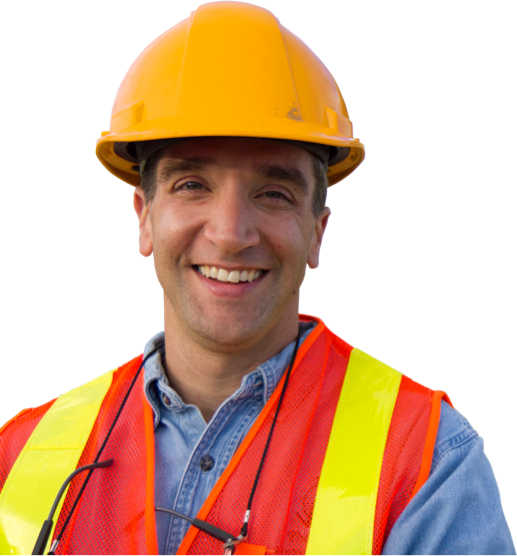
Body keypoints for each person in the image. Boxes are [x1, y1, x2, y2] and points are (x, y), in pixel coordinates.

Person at [0, 2, 514, 555]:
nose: (230, 234)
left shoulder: (424, 460)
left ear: (317, 232)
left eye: (273, 193)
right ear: (144, 217)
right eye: (192, 185)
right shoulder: (17, 458)